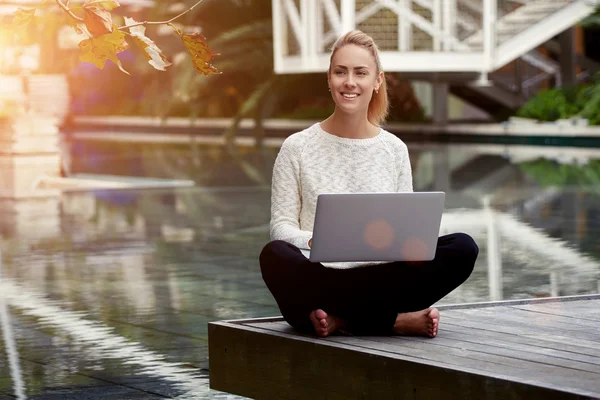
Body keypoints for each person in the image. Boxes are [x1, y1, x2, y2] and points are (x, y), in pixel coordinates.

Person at [259, 30, 478, 338]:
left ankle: (343, 319)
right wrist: (316, 240)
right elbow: (280, 227)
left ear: (377, 81)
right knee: (275, 256)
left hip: (381, 277)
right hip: (321, 276)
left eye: (360, 73)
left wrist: (414, 241)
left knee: (463, 247)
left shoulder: (394, 150)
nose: (350, 82)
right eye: (341, 72)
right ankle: (395, 321)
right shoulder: (296, 148)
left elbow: (408, 230)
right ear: (329, 78)